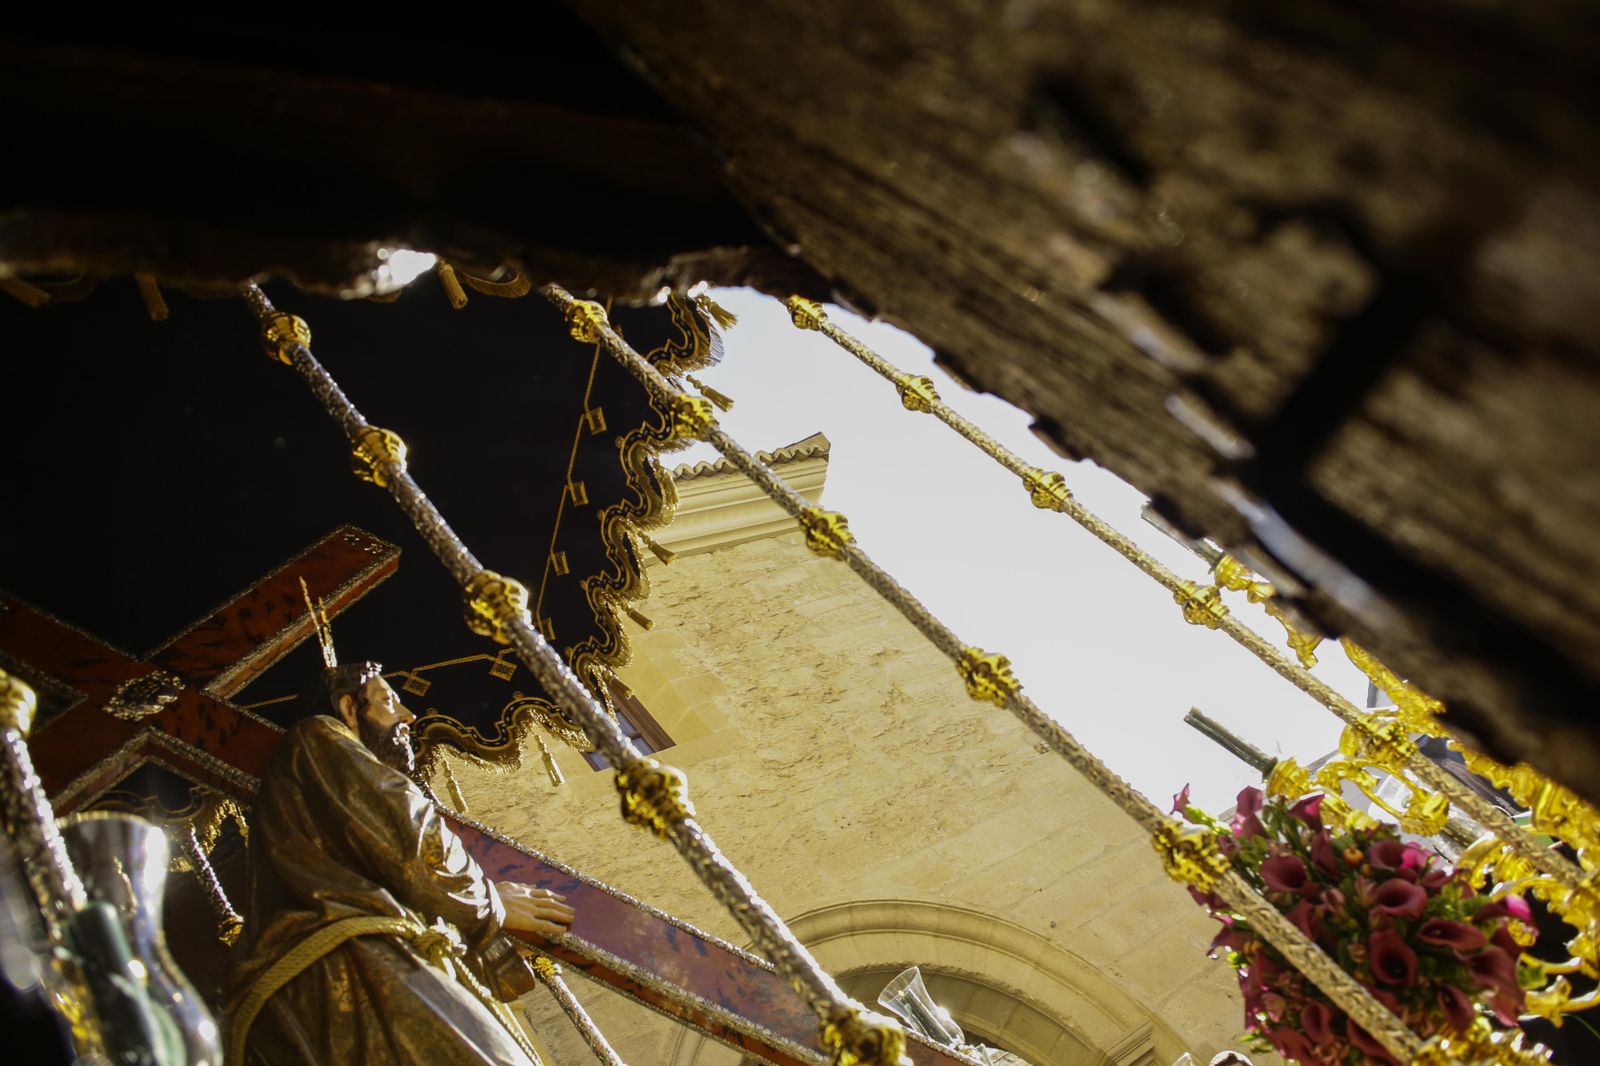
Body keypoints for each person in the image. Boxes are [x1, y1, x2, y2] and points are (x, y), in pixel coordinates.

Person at [225, 659, 573, 1065]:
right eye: (388, 701)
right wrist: (488, 902)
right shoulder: (318, 734)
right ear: (349, 709)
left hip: (334, 974)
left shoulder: (316, 793)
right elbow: (414, 839)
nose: (408, 716)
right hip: (348, 967)